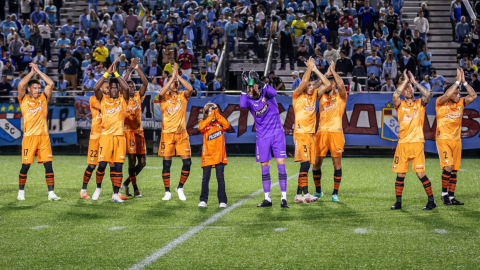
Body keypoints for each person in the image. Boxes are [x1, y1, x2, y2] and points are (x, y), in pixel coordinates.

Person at [240, 71, 289, 208]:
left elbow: (274, 92)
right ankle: (267, 198)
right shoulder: (249, 100)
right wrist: (245, 86)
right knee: (264, 168)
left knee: (281, 165)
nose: (250, 91)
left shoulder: (266, 94)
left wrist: (259, 83)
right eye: (248, 89)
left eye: (251, 88)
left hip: (277, 134)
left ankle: (283, 198)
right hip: (262, 137)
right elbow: (242, 105)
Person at [391, 70, 436, 210]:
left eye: (410, 88)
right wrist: (405, 81)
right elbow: (394, 95)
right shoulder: (400, 105)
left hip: (417, 143)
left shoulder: (419, 103)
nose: (408, 90)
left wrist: (414, 82)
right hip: (402, 144)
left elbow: (427, 94)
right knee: (400, 174)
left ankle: (431, 201)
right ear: (403, 92)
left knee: (420, 174)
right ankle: (398, 203)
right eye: (406, 89)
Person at [17, 63, 60, 201]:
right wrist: (31, 73)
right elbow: (21, 85)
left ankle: (51, 193)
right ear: (29, 89)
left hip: (43, 137)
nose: (37, 90)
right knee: (26, 165)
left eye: (38, 88)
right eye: (34, 88)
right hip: (29, 137)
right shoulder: (23, 99)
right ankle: (21, 192)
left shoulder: (43, 98)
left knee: (48, 165)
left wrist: (39, 71)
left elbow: (51, 83)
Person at [437, 69, 477, 205]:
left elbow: (473, 95)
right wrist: (457, 81)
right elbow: (448, 93)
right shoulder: (440, 102)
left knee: (454, 170)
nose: (458, 94)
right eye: (456, 92)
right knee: (448, 166)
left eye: (458, 92)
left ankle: (452, 197)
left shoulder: (460, 103)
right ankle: (444, 194)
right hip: (443, 139)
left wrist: (465, 82)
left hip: (456, 140)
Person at [91, 60, 130, 202]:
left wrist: (116, 74)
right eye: (111, 87)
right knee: (101, 165)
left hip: (119, 137)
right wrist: (107, 73)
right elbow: (96, 88)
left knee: (118, 166)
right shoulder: (103, 99)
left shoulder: (123, 99)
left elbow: (126, 88)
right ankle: (98, 187)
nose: (113, 89)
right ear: (108, 89)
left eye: (115, 87)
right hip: (106, 136)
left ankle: (115, 194)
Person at [293, 58, 330, 203]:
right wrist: (309, 67)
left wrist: (315, 70)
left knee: (307, 164)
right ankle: (306, 193)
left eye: (311, 85)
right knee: (305, 163)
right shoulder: (297, 95)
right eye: (308, 85)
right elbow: (303, 82)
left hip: (310, 135)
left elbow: (326, 84)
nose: (309, 86)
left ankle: (298, 195)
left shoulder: (314, 95)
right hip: (301, 133)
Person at [158, 63, 194, 201]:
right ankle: (167, 191)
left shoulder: (183, 95)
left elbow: (190, 88)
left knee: (187, 163)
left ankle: (180, 187)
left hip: (181, 134)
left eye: (177, 83)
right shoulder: (164, 97)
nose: (175, 84)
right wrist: (171, 79)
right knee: (166, 164)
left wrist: (177, 76)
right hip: (167, 134)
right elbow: (161, 93)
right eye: (173, 82)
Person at [312, 61, 347, 202]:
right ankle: (318, 191)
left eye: (328, 82)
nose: (325, 85)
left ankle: (335, 193)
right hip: (321, 133)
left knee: (336, 164)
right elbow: (314, 88)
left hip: (336, 133)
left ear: (333, 85)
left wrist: (334, 72)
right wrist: (326, 74)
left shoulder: (340, 97)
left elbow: (342, 85)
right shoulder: (321, 96)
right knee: (316, 164)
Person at [118, 58, 148, 198]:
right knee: (131, 160)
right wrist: (129, 69)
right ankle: (135, 189)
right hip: (128, 132)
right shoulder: (123, 99)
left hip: (139, 132)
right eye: (128, 86)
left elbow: (145, 83)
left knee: (142, 163)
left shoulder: (138, 97)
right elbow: (122, 83)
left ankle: (126, 183)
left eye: (132, 86)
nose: (131, 88)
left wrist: (137, 68)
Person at [197, 103, 230, 208]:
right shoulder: (203, 123)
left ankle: (222, 201)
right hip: (207, 155)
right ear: (206, 113)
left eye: (214, 111)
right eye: (210, 111)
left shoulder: (220, 124)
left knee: (220, 178)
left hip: (219, 155)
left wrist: (217, 114)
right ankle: (203, 200)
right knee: (205, 178)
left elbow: (227, 125)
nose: (213, 114)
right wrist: (211, 116)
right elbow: (201, 127)